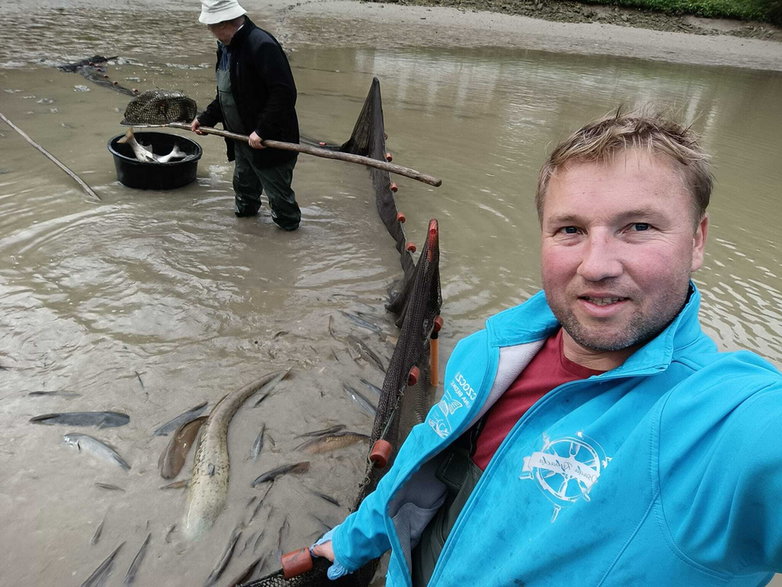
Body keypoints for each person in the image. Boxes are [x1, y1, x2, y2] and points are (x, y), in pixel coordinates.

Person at [311, 109, 782, 585]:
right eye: (570, 230)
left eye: (638, 226)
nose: (597, 266)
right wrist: (353, 538)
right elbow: (422, 458)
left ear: (697, 241)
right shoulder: (490, 353)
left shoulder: (721, 421)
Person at [191, 0, 301, 231]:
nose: (211, 33)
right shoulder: (225, 46)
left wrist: (262, 131)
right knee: (244, 191)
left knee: (281, 202)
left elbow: (284, 93)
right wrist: (206, 118)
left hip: (270, 143)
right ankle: (245, 235)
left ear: (225, 24)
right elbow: (228, 93)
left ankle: (288, 240)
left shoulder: (261, 45)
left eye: (212, 27)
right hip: (241, 139)